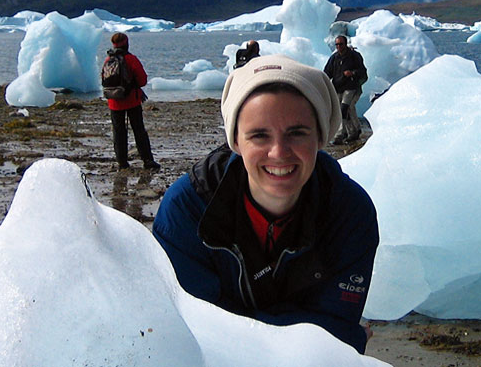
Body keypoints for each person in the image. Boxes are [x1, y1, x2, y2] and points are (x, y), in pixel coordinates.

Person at [151, 55, 379, 353]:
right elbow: (190, 329)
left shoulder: (349, 212)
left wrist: (234, 320)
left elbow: (332, 334)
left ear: (321, 136)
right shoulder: (190, 208)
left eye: (297, 133)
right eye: (259, 135)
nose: (278, 153)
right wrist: (336, 334)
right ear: (235, 141)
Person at [103, 32, 160, 170]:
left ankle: (122, 162)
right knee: (138, 130)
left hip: (114, 101)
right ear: (126, 43)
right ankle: (147, 160)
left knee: (118, 132)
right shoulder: (131, 59)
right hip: (131, 100)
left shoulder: (107, 60)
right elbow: (142, 80)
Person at [323, 35, 367, 145]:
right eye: (337, 44)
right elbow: (327, 72)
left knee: (344, 108)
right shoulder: (334, 58)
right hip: (338, 88)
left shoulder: (354, 56)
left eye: (340, 44)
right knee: (343, 110)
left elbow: (363, 71)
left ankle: (340, 135)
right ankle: (354, 131)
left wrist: (352, 73)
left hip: (351, 87)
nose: (338, 46)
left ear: (345, 44)